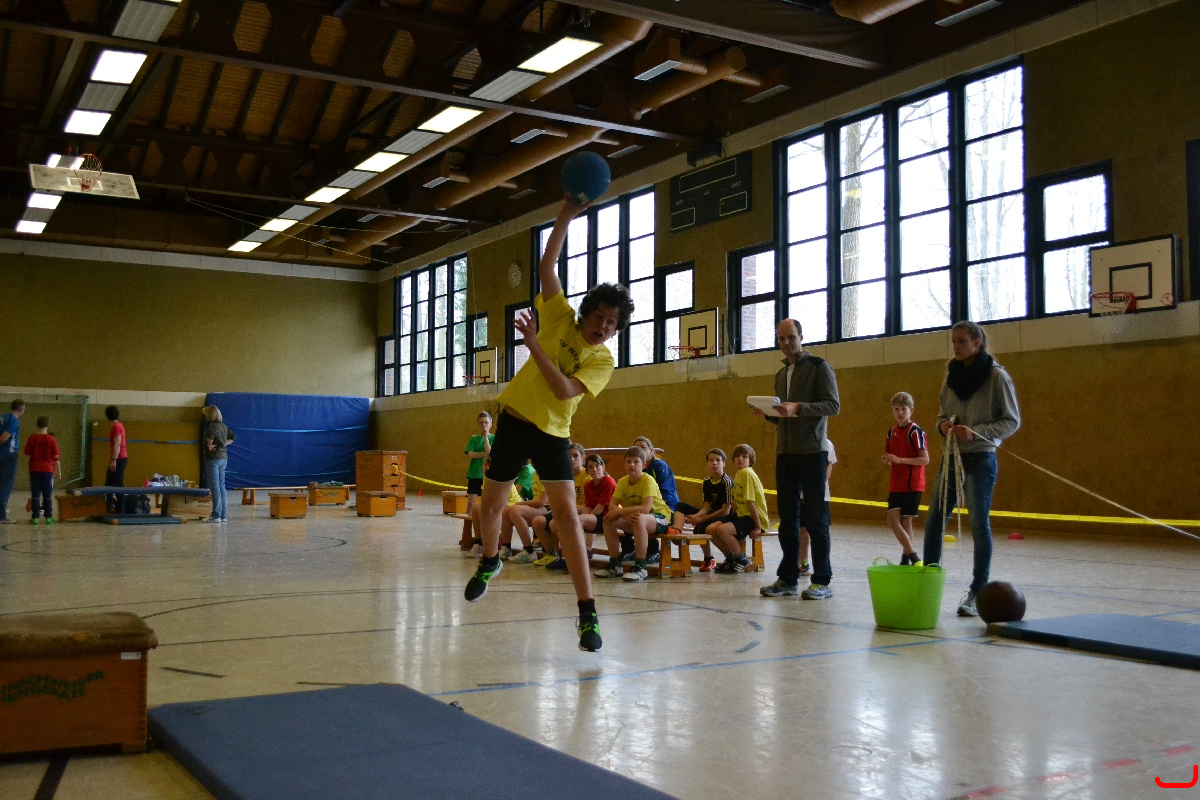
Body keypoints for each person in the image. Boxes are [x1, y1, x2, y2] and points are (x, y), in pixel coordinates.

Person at [464, 196, 634, 654]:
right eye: (598, 317)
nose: (603, 327)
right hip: (514, 422)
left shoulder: (603, 360)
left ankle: (587, 612)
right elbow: (546, 265)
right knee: (490, 506)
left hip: (553, 435)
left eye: (612, 323)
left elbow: (561, 390)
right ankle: (490, 560)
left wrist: (533, 344)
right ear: (586, 313)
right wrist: (565, 214)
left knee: (568, 520)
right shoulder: (559, 315)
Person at [923, 321, 1021, 617]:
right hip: (951, 458)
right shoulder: (950, 376)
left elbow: (1011, 420)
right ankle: (927, 583)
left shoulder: (997, 376)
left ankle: (977, 591)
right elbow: (941, 414)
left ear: (977, 343)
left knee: (978, 524)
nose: (956, 346)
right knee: (934, 520)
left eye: (962, 341)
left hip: (980, 458)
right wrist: (943, 426)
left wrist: (976, 432)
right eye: (954, 341)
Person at [756, 319, 840, 600]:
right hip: (786, 454)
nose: (786, 343)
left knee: (816, 520)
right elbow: (785, 418)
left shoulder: (819, 366)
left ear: (801, 337)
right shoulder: (781, 374)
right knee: (788, 520)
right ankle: (787, 578)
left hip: (813, 453)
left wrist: (799, 407)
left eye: (791, 337)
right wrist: (769, 413)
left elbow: (833, 405)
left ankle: (822, 580)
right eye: (781, 338)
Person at [594, 446, 670, 582]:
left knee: (639, 519)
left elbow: (645, 508)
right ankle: (615, 564)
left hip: (660, 518)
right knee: (608, 519)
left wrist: (621, 512)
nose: (632, 465)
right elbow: (612, 506)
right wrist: (623, 515)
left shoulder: (648, 480)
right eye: (628, 462)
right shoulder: (623, 481)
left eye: (636, 462)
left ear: (644, 465)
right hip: (636, 518)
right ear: (624, 465)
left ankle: (641, 567)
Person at [882, 393, 929, 566]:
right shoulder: (891, 432)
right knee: (892, 520)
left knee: (905, 521)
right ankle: (912, 556)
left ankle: (907, 558)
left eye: (904, 409)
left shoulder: (915, 432)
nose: (900, 413)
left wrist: (900, 460)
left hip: (912, 483)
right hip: (896, 483)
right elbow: (890, 454)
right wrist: (888, 458)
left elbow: (925, 459)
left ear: (911, 410)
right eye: (896, 409)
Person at [672, 448, 732, 572]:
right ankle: (677, 532)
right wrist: (696, 516)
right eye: (711, 460)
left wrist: (701, 519)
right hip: (711, 513)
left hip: (724, 516)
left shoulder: (727, 482)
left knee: (700, 528)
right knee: (680, 506)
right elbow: (706, 507)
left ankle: (709, 559)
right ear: (707, 464)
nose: (714, 463)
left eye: (718, 460)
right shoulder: (706, 482)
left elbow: (725, 511)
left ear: (724, 463)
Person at [711, 444, 768, 573]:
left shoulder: (747, 473)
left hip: (753, 517)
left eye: (744, 456)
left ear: (750, 461)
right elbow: (736, 501)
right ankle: (731, 558)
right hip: (742, 514)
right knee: (711, 529)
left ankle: (741, 559)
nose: (740, 459)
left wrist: (758, 527)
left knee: (723, 530)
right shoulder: (739, 474)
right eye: (737, 456)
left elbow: (751, 502)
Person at [535, 444, 591, 570]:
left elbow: (587, 507)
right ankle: (554, 554)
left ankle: (571, 557)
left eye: (575, 456)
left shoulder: (587, 477)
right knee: (538, 521)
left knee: (557, 523)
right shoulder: (564, 475)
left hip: (578, 511)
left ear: (583, 457)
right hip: (566, 510)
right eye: (569, 456)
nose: (572, 459)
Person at [629, 436, 676, 564]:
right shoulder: (634, 471)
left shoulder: (659, 466)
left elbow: (666, 494)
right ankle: (629, 549)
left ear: (651, 451)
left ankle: (653, 551)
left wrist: (647, 509)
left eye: (643, 448)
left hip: (667, 508)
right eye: (636, 448)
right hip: (647, 507)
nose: (640, 450)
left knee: (640, 518)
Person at [797, 438, 837, 576]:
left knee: (820, 531)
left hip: (820, 497)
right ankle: (803, 564)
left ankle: (824, 568)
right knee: (802, 529)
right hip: (800, 495)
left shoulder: (827, 444)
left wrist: (816, 488)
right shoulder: (799, 442)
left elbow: (828, 467)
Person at [201, 405, 236, 523]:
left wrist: (209, 446)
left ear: (210, 415)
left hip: (213, 458)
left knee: (214, 487)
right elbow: (233, 437)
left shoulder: (211, 426)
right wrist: (222, 444)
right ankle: (223, 515)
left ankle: (216, 515)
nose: (205, 417)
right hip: (223, 457)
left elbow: (210, 438)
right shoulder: (223, 426)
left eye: (206, 415)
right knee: (221, 486)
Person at [24, 415, 60, 524]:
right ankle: (48, 517)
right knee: (47, 493)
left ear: (37, 425)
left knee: (35, 493)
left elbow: (27, 454)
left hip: (34, 468)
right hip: (48, 469)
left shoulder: (32, 438)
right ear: (48, 425)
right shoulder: (51, 439)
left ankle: (35, 517)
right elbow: (56, 455)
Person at [464, 410, 494, 517]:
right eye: (481, 422)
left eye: (486, 422)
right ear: (478, 424)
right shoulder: (474, 438)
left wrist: (485, 437)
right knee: (471, 504)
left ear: (491, 424)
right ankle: (467, 523)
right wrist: (484, 454)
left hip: (487, 476)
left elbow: (490, 452)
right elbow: (471, 454)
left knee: (486, 505)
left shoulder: (494, 438)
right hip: (474, 474)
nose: (483, 425)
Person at [0, 399, 25, 524]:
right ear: (21, 409)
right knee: (5, 486)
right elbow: (4, 437)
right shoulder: (14, 420)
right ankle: (1, 516)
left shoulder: (2, 417)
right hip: (8, 456)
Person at [104, 405, 128, 514]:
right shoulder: (116, 426)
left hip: (119, 458)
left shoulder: (116, 426)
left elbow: (117, 444)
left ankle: (120, 511)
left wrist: (114, 460)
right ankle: (108, 508)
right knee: (109, 484)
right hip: (118, 458)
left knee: (118, 485)